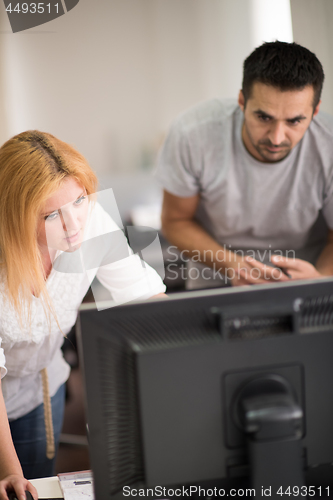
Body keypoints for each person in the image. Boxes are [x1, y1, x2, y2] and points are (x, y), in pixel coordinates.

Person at [0, 130, 166, 500]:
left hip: (41, 388)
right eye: (52, 214)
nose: (74, 225)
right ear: (16, 214)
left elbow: (145, 299)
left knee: (35, 487)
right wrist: (10, 470)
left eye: (79, 200)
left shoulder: (90, 221)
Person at [156, 41, 333, 287]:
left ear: (315, 112)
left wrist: (321, 280)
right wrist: (230, 264)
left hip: (308, 284)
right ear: (242, 101)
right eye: (264, 117)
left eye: (294, 121)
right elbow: (174, 222)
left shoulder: (329, 145)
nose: (276, 137)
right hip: (216, 281)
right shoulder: (192, 133)